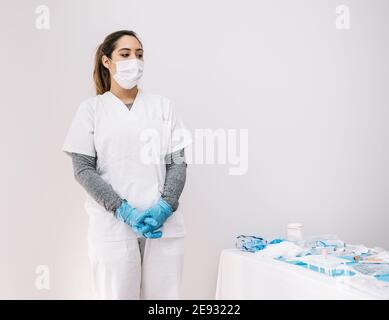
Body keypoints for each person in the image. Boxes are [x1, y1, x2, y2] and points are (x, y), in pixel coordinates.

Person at [62, 30, 192, 299]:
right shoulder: (92, 110)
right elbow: (83, 169)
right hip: (113, 227)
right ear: (106, 61)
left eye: (139, 54)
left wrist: (166, 205)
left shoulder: (163, 107)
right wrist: (122, 210)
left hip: (163, 226)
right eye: (125, 54)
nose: (135, 60)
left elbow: (178, 162)